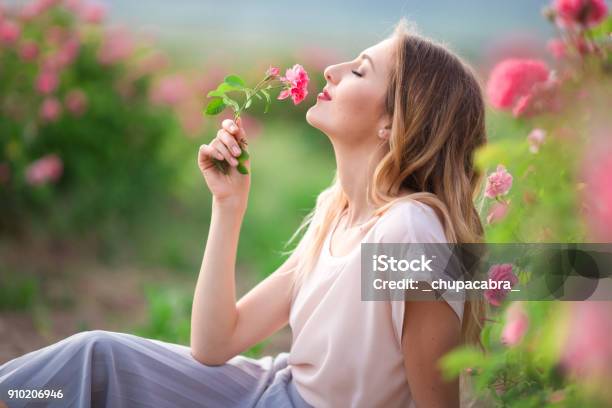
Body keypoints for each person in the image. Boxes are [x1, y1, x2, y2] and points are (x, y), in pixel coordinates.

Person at [0, 17, 488, 408]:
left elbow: (436, 399)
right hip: (261, 389)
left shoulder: (408, 228)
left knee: (91, 364)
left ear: (393, 122)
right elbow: (214, 343)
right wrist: (227, 206)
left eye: (359, 70)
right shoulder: (335, 214)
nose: (332, 71)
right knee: (93, 359)